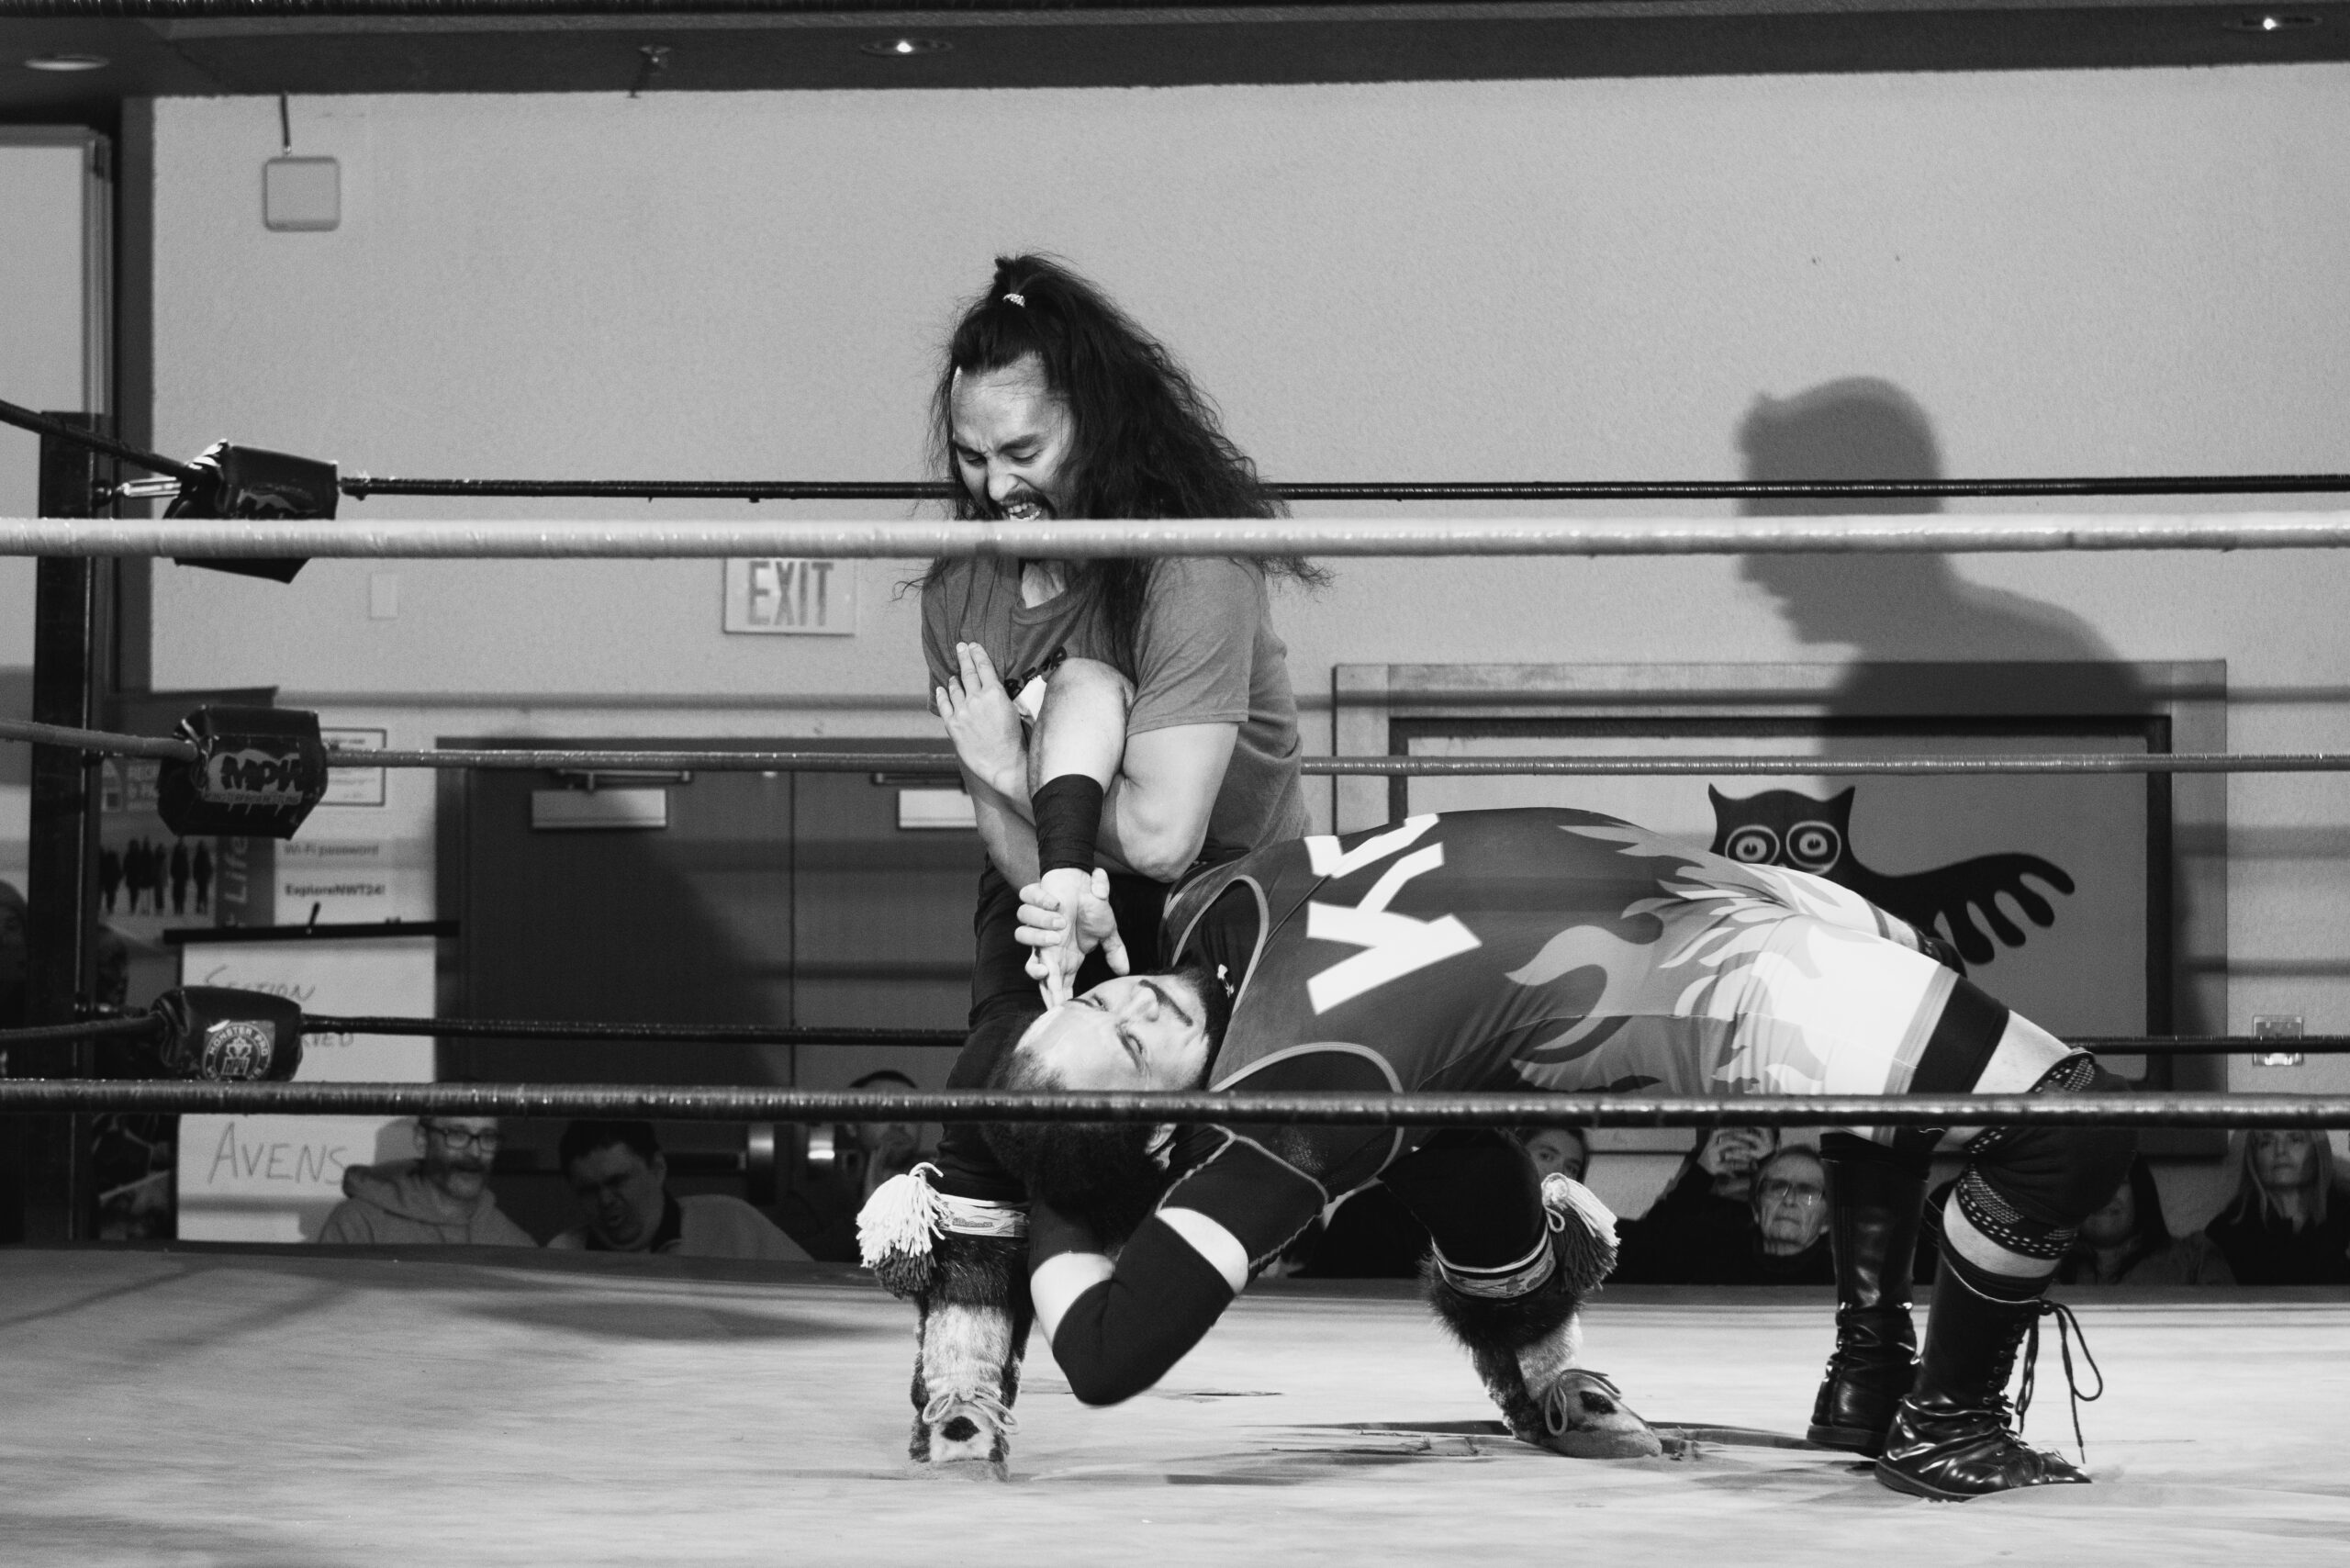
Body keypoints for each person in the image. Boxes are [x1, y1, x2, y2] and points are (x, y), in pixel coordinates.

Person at [946, 803, 2135, 1501]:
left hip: (1709, 881)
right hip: (1718, 979)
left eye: (1101, 1004)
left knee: (1922, 970)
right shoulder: (1300, 1106)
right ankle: (1948, 1424)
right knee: (2071, 1125)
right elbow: (1103, 1356)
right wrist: (1055, 1192)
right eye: (1130, 1050)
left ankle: (1870, 1377)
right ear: (1159, 1121)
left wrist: (1028, 807)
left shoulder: (1203, 910)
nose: (1136, 1006)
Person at [902, 252, 1320, 1468]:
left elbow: (1162, 836)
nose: (997, 486)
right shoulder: (961, 591)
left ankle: (1538, 1352)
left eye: (1024, 451)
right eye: (971, 458)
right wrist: (1009, 795)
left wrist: (1007, 764)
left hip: (1231, 892)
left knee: (1400, 1115)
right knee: (1001, 1075)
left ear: (1094, 420)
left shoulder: (1191, 566)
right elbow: (1010, 850)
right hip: (1048, 861)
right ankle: (964, 1367)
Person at [547, 1120, 808, 1260]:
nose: (605, 1200)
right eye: (588, 1190)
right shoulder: (563, 1256)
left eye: (617, 1181)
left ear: (657, 1169)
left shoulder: (733, 1225)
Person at [317, 1115, 535, 1246]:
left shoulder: (514, 1245)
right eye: (457, 1135)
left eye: (488, 1137)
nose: (475, 1152)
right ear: (422, 1139)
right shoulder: (358, 1223)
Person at [1614, 1127, 1781, 1282]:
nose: (1740, 1145)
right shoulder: (1690, 1204)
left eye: (1753, 1135)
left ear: (1777, 1146)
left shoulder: (1785, 1207)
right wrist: (1700, 1174)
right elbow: (1648, 1254)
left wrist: (1773, 1168)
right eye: (1728, 1135)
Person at [2054, 1157, 2232, 1286]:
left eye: (2118, 1181)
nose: (2105, 1195)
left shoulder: (2194, 1258)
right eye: (2091, 1183)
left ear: (2139, 1192)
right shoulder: (2045, 1269)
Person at [2202, 1129, 2350, 1284]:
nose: (2280, 1151)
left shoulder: (2345, 1219)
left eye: (2295, 1139)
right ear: (2253, 1157)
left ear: (2318, 1150)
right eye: (2267, 1143)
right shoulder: (2226, 1234)